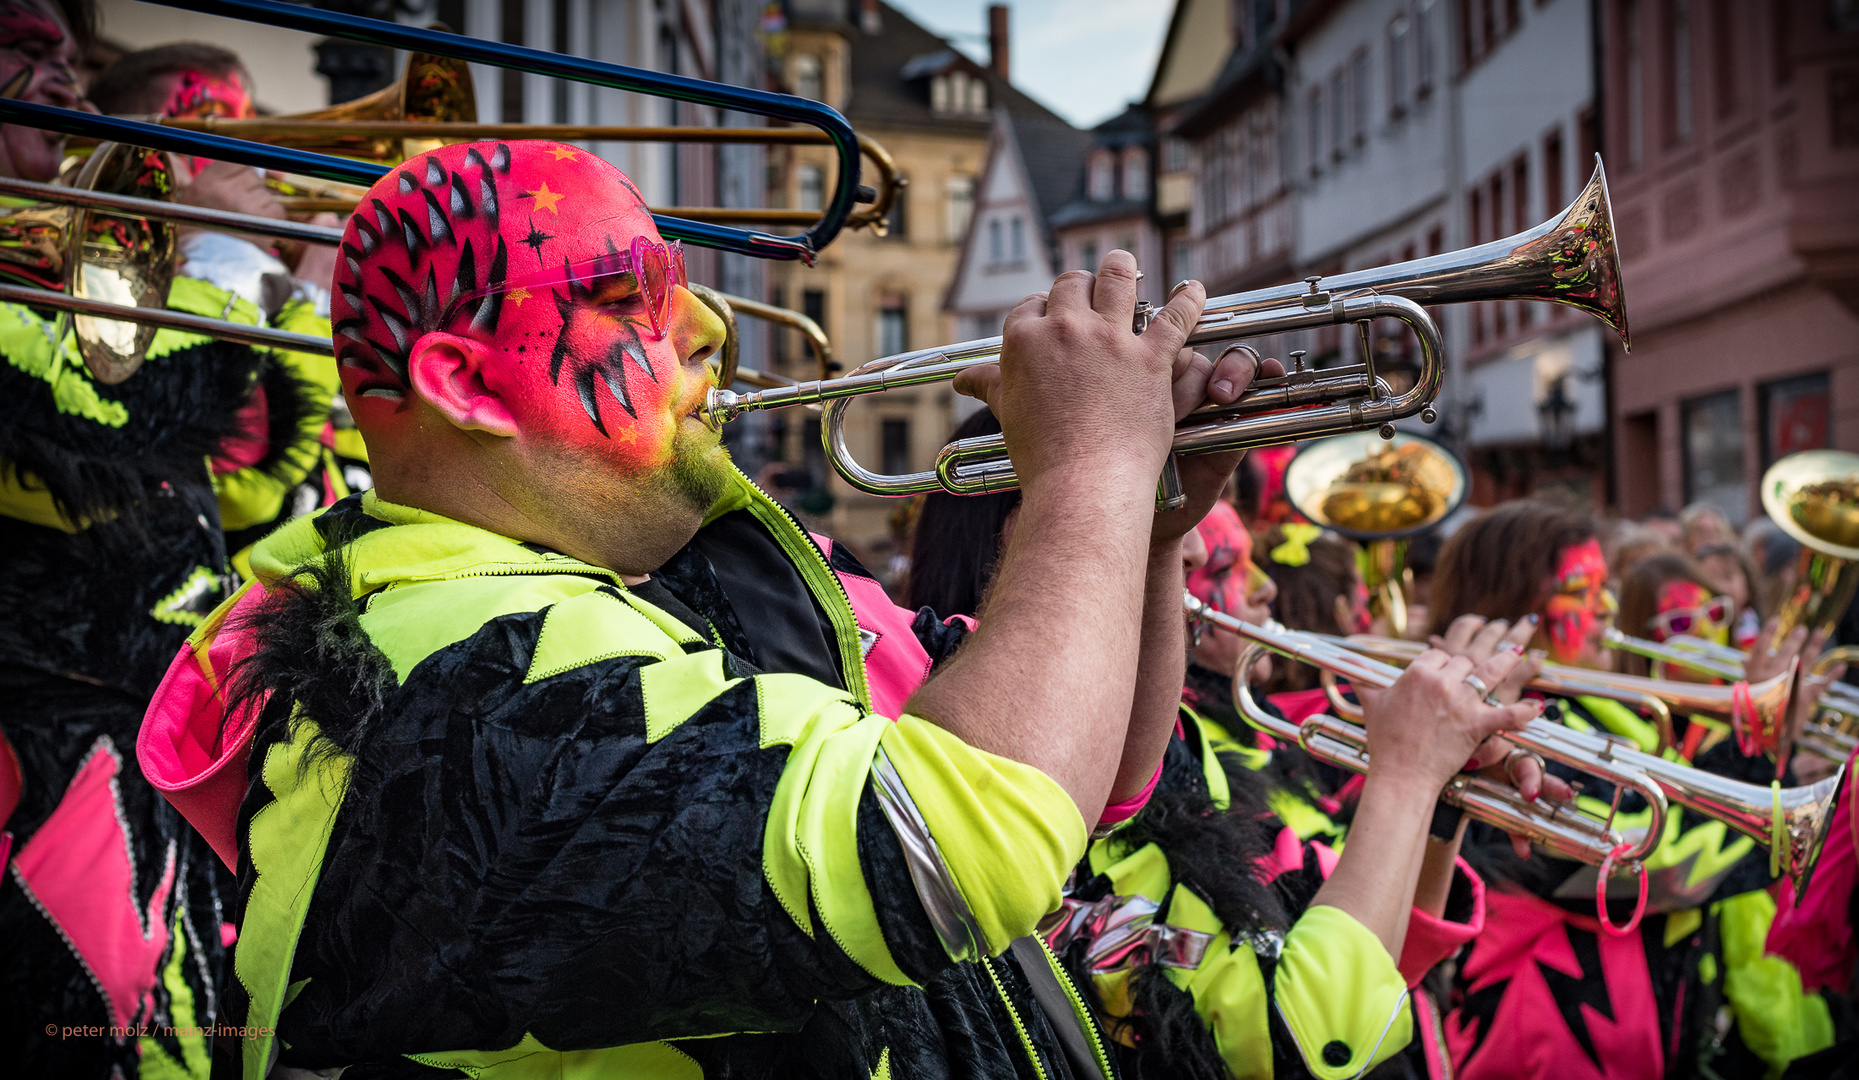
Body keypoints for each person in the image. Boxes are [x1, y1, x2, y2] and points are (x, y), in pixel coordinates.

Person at [137, 140, 1349, 1077]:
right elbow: (955, 847)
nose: (706, 332)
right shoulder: (441, 673)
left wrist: (1138, 529)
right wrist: (1086, 470)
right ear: (462, 383)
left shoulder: (638, 595)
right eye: (629, 302)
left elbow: (1082, 783)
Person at [906, 425, 1557, 1080]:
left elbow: (1380, 966)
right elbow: (1308, 1043)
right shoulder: (1033, 771)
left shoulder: (1183, 742)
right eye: (1171, 538)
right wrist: (1408, 775)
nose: (1181, 555)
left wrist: (1437, 797)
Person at [0, 3, 298, 1076]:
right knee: (99, 1028)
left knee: (192, 1023)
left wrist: (282, 284)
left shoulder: (54, 260)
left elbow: (253, 476)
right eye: (24, 55)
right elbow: (112, 425)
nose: (62, 82)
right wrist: (219, 256)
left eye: (67, 59)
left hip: (146, 733)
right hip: (48, 746)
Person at [1430, 502, 1836, 1079]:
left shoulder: (1612, 712)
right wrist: (1763, 753)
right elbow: (1651, 864)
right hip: (1550, 1043)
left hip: (1646, 1027)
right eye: (1581, 591)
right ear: (1513, 610)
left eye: (1606, 588)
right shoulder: (1514, 733)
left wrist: (1771, 746)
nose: (1606, 610)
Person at [88, 43, 360, 573]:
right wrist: (310, 300)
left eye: (247, 133)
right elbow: (240, 485)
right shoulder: (121, 278)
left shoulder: (263, 266)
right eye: (207, 133)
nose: (247, 163)